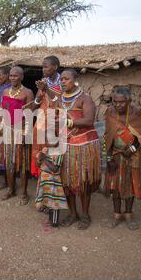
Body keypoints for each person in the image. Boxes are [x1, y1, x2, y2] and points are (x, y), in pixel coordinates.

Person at [58, 69, 101, 230]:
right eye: (61, 79)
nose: (63, 81)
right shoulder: (60, 100)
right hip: (65, 144)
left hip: (83, 145)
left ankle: (85, 215)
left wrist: (68, 123)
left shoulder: (85, 99)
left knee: (82, 181)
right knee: (66, 181)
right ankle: (73, 214)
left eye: (66, 79)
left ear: (75, 80)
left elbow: (89, 120)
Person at [104, 86, 141, 230]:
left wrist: (132, 148)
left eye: (121, 102)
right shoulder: (110, 112)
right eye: (115, 102)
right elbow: (107, 136)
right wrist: (109, 158)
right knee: (115, 185)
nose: (118, 105)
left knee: (130, 184)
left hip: (132, 155)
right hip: (116, 155)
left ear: (129, 101)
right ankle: (117, 214)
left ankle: (128, 214)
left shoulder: (136, 112)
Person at [0, 66, 34, 205]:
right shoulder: (5, 91)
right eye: (11, 75)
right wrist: (0, 127)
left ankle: (24, 193)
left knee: (22, 163)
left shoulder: (27, 92)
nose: (13, 78)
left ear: (22, 77)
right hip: (7, 130)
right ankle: (11, 190)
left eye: (16, 76)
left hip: (21, 130)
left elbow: (30, 116)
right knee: (9, 162)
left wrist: (26, 134)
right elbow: (2, 110)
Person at [29, 56, 62, 178]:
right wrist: (37, 98)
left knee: (53, 150)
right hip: (42, 121)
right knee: (39, 148)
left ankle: (54, 180)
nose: (43, 69)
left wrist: (46, 89)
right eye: (42, 66)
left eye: (46, 66)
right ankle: (42, 179)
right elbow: (36, 104)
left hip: (56, 122)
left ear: (55, 67)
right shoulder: (44, 82)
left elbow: (59, 103)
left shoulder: (63, 83)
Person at [35, 144, 68, 229]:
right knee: (48, 201)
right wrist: (39, 158)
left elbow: (55, 169)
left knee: (54, 203)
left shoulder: (60, 152)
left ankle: (54, 224)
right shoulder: (45, 149)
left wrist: (44, 158)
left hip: (54, 181)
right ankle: (50, 220)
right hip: (45, 180)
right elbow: (38, 164)